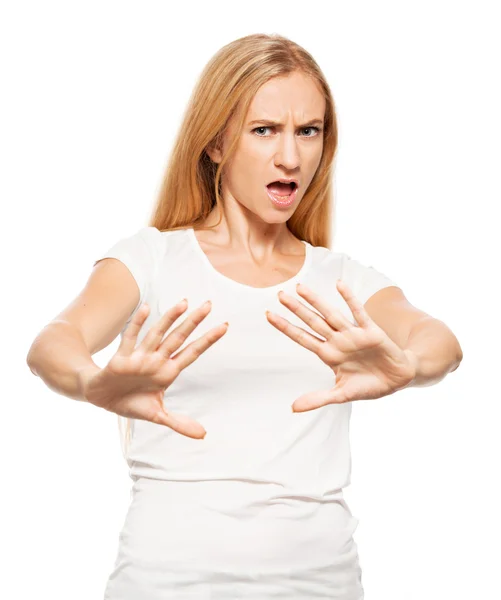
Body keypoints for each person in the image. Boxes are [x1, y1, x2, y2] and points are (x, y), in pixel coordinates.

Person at [26, 33, 463, 600]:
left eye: (308, 130)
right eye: (265, 130)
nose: (292, 156)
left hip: (319, 584)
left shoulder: (339, 277)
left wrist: (409, 366)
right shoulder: (154, 258)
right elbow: (53, 341)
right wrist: (91, 381)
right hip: (166, 582)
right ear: (214, 143)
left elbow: (440, 342)